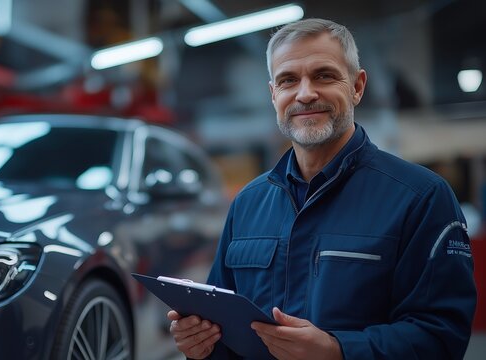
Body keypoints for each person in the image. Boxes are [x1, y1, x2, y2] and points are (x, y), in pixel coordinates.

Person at [167, 18, 476, 359]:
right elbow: (225, 325)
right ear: (274, 95)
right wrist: (202, 344)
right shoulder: (247, 204)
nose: (305, 93)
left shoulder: (422, 198)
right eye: (288, 80)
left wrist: (337, 350)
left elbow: (442, 337)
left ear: (357, 87)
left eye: (324, 75)